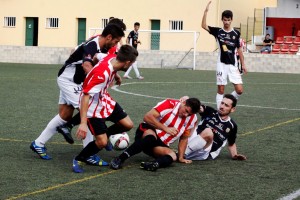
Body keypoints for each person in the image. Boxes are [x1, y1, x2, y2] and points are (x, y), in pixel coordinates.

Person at [30, 23, 125, 166]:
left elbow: (101, 61)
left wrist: (114, 74)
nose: (116, 44)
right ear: (109, 36)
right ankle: (89, 154)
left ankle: (38, 143)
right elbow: (86, 65)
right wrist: (97, 78)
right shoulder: (93, 45)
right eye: (116, 41)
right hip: (70, 81)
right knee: (88, 111)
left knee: (65, 115)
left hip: (71, 79)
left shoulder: (102, 45)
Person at [72, 44, 138, 173]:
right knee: (101, 142)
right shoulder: (102, 75)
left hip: (104, 99)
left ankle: (104, 136)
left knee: (128, 125)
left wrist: (115, 74)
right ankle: (79, 158)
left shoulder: (112, 57)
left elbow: (96, 56)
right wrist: (83, 123)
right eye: (132, 64)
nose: (131, 66)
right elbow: (85, 97)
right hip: (92, 106)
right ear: (127, 62)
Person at [110, 97, 201, 172]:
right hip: (148, 131)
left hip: (160, 144)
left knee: (173, 156)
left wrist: (181, 157)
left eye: (189, 114)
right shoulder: (169, 104)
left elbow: (184, 139)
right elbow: (147, 117)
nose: (186, 115)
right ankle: (120, 158)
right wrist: (165, 128)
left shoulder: (192, 119)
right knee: (151, 138)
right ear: (184, 103)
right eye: (186, 111)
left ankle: (154, 164)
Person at [202, 1, 247, 109]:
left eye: (228, 20)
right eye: (225, 19)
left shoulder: (236, 33)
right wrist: (206, 11)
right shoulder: (217, 31)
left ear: (231, 20)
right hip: (221, 64)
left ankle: (227, 102)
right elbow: (203, 25)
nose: (226, 22)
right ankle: (220, 110)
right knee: (221, 89)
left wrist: (243, 64)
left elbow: (239, 49)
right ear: (222, 20)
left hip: (233, 65)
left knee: (239, 90)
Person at [184, 94, 247, 161]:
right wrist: (189, 101)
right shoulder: (210, 111)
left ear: (232, 109)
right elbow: (199, 108)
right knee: (193, 119)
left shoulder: (232, 126)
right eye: (222, 103)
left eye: (226, 105)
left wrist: (235, 155)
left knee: (208, 132)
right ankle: (182, 152)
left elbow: (231, 144)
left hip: (205, 150)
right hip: (193, 139)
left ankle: (181, 154)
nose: (222, 106)